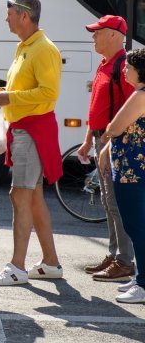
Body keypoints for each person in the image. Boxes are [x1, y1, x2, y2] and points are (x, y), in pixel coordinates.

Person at [0, 0, 63, 287]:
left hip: (32, 132)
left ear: (24, 16)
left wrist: (8, 96)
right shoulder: (27, 46)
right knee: (33, 196)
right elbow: (30, 89)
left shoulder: (42, 49)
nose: (6, 18)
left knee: (20, 195)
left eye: (10, 13)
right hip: (26, 130)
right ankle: (50, 263)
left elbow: (48, 94)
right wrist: (1, 92)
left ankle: (17, 267)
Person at [78, 15, 135, 282]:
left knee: (116, 203)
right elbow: (97, 109)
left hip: (115, 141)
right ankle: (115, 256)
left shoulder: (123, 67)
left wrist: (108, 144)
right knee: (108, 202)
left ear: (114, 34)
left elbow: (128, 112)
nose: (93, 36)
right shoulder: (106, 64)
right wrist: (89, 139)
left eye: (98, 32)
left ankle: (124, 261)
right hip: (103, 139)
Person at [97, 48, 145, 304]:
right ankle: (140, 276)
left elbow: (115, 126)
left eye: (129, 67)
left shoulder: (140, 95)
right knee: (138, 226)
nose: (124, 70)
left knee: (136, 227)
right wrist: (107, 146)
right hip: (134, 169)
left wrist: (106, 136)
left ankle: (143, 283)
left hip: (133, 171)